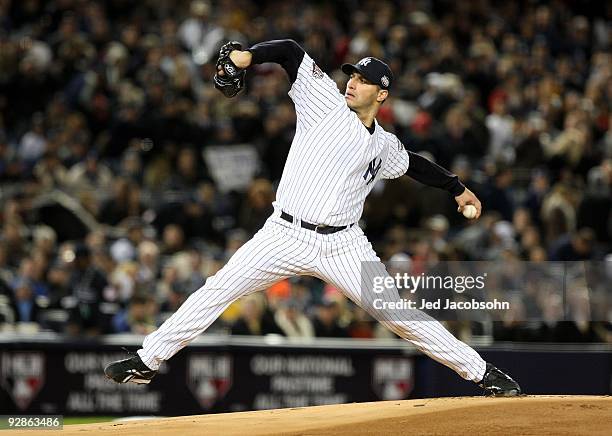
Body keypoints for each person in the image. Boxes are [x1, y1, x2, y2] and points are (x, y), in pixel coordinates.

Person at [105, 39, 521, 396]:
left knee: (398, 315)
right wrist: (247, 57)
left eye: (362, 80)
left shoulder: (384, 144)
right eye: (351, 76)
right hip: (284, 233)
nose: (352, 82)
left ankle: (482, 372)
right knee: (218, 288)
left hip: (343, 244)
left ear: (382, 95)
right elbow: (288, 51)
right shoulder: (324, 102)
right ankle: (147, 358)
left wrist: (457, 187)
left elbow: (414, 164)